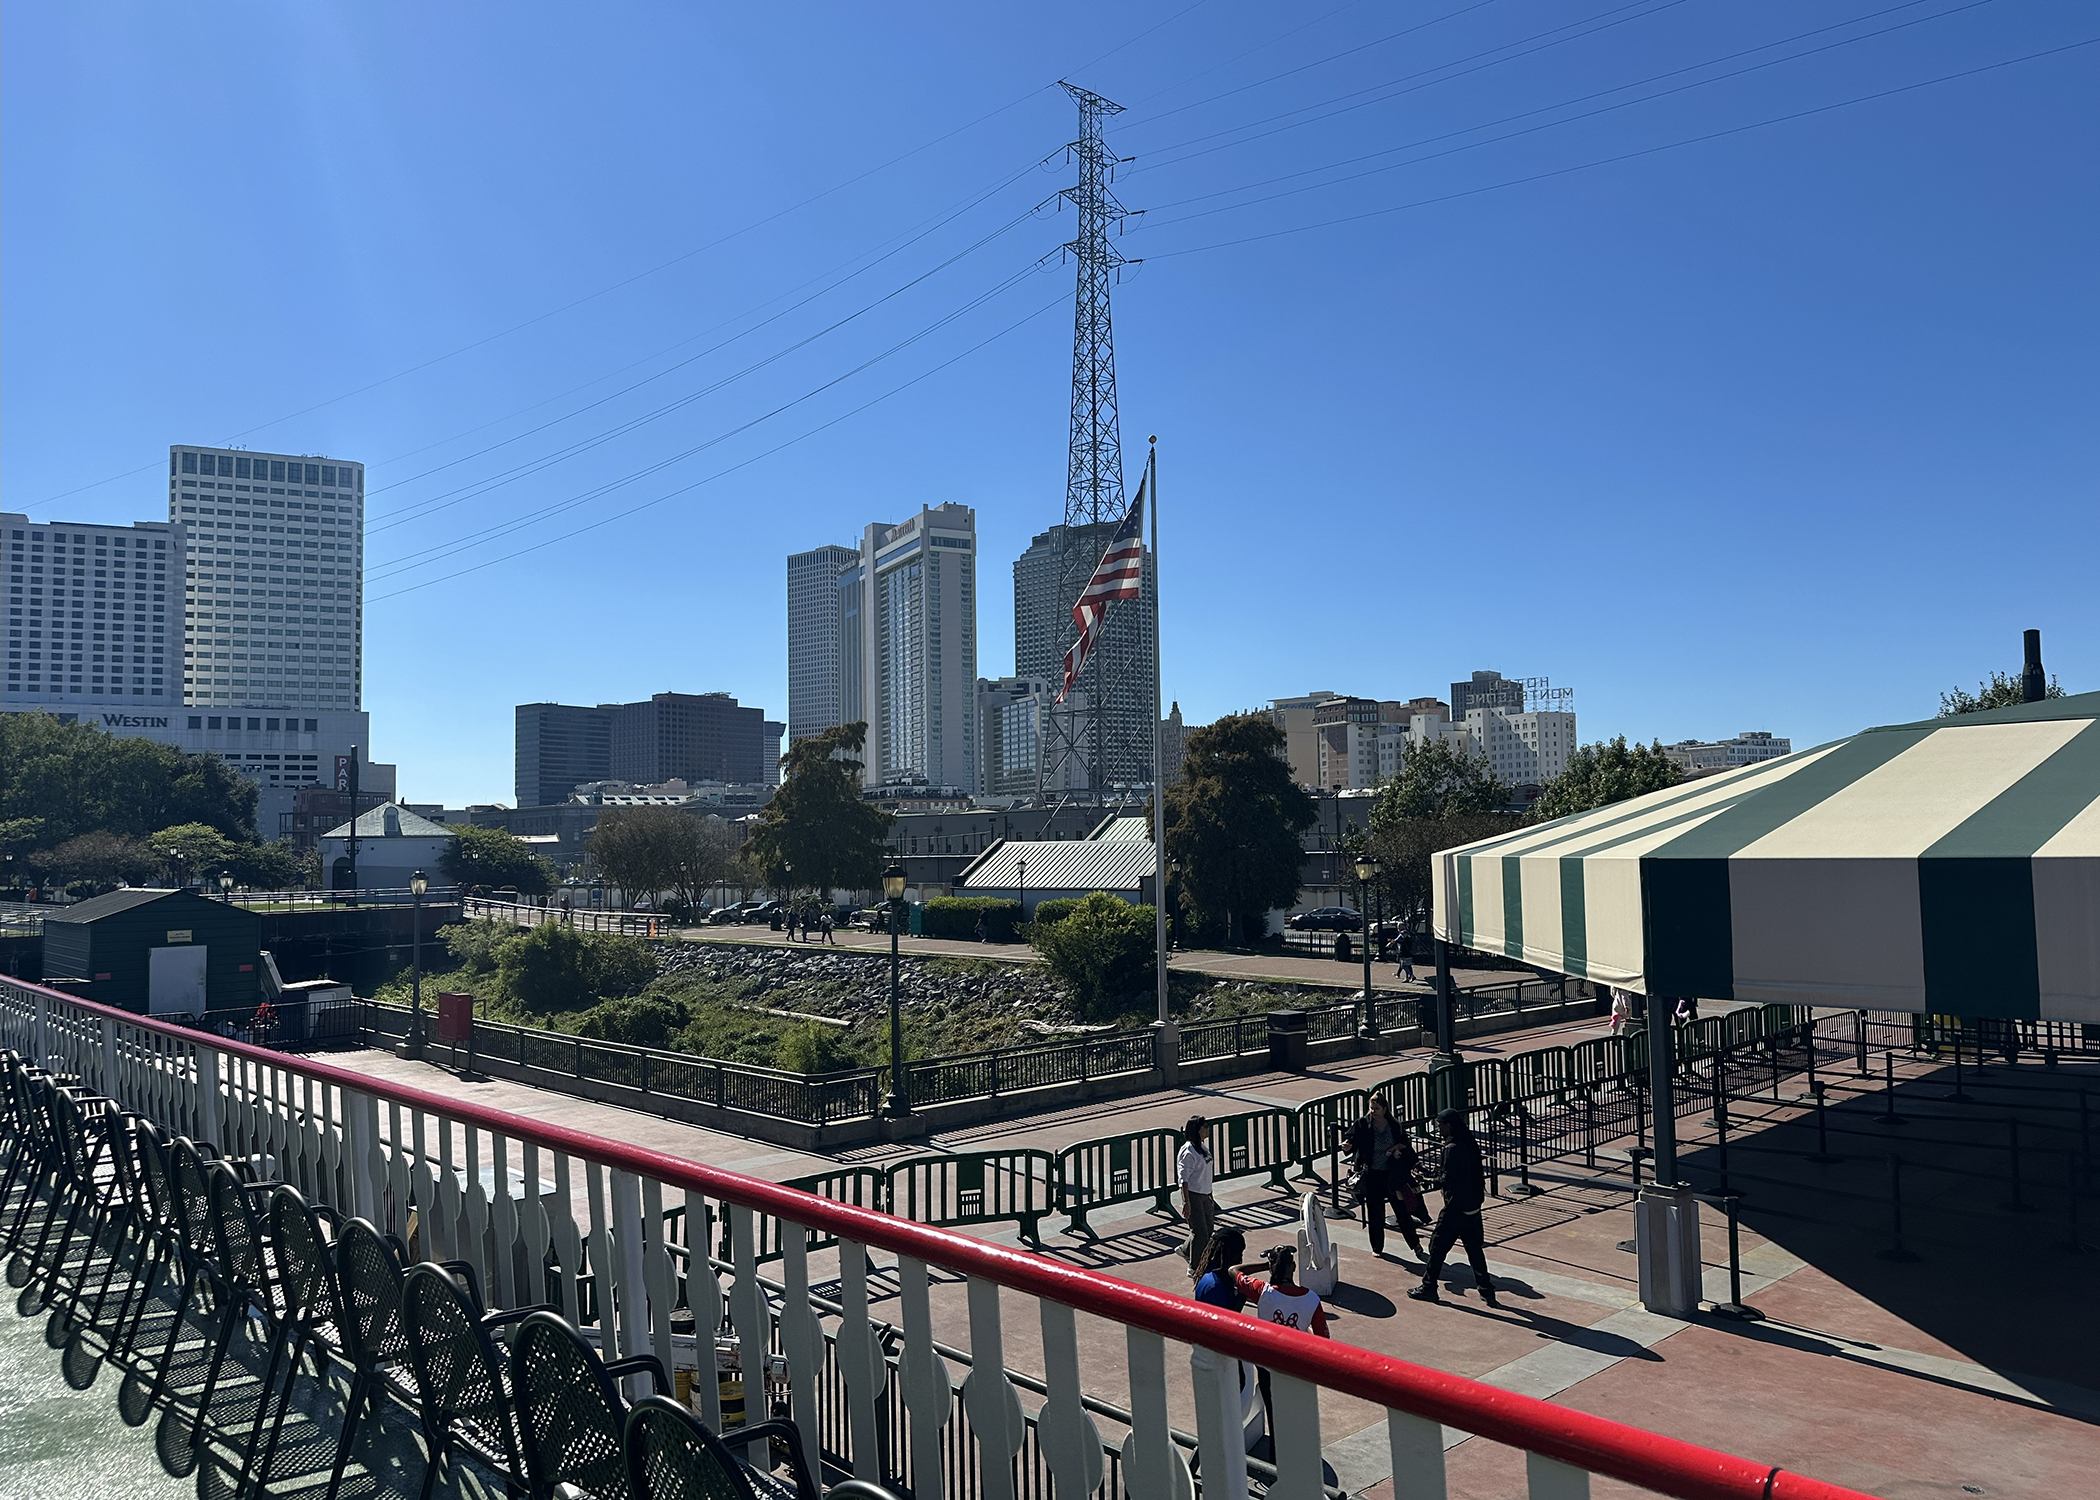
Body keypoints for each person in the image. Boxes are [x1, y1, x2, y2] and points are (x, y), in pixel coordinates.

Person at [1407, 1109, 1498, 1307]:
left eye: (1440, 1125)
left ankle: (1429, 1287)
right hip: (1473, 1207)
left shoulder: (1452, 1148)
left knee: (1437, 1248)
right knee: (1475, 1251)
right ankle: (1487, 1291)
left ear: (1448, 1125)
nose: (1439, 1129)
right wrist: (1430, 1173)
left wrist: (1426, 1179)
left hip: (1455, 1209)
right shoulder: (1469, 1144)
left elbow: (1446, 1179)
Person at [1248, 1244, 1331, 1439]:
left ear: (1272, 1267)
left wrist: (1266, 1265)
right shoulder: (1311, 1299)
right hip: (1293, 1363)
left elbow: (1234, 1271)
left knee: (1272, 1412)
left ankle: (1274, 1455)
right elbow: (1323, 1339)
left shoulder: (1262, 1290)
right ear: (1293, 1267)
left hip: (1266, 1363)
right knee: (1292, 1413)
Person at [1346, 1097, 1426, 1260]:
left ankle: (1415, 1244)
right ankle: (1377, 1246)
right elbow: (1351, 1140)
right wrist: (1347, 1145)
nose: (1372, 1111)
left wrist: (1397, 1148)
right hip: (1372, 1174)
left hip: (1392, 1175)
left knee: (1402, 1211)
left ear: (1384, 1109)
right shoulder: (1362, 1124)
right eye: (1371, 1108)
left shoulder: (1394, 1125)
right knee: (1375, 1213)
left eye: (1376, 1108)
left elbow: (1405, 1143)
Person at [1177, 1115, 1216, 1281]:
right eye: (1204, 1126)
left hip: (1205, 1194)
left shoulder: (1202, 1147)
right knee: (1199, 1232)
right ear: (1196, 1130)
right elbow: (1183, 1178)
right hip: (1193, 1195)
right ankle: (1194, 1267)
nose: (1208, 1129)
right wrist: (1186, 1202)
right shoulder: (1188, 1151)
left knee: (1208, 1230)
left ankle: (1185, 1250)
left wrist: (1211, 1195)